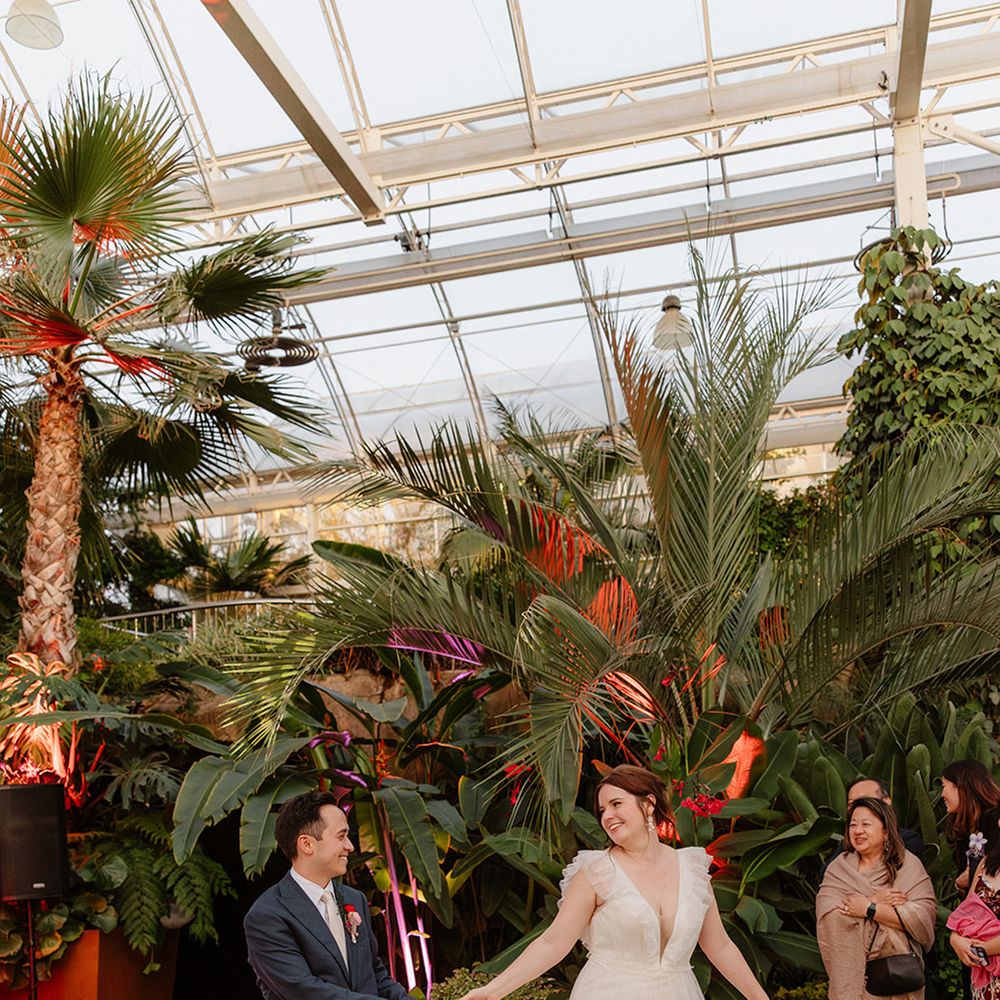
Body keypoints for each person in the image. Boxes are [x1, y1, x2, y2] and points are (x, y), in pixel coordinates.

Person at [459, 764, 769, 1000]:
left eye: (616, 804)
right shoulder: (596, 872)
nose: (607, 816)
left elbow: (720, 946)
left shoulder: (692, 869)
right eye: (603, 810)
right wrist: (493, 991)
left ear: (648, 804)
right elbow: (553, 943)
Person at [244, 790, 411, 1000]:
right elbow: (305, 991)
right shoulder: (268, 915)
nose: (350, 846)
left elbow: (376, 975)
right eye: (341, 836)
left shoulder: (354, 899)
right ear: (306, 844)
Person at [816, 796, 936, 1000]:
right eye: (853, 825)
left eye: (866, 824)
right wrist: (875, 898)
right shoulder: (838, 869)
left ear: (886, 831)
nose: (858, 831)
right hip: (850, 978)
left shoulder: (907, 866)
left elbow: (922, 919)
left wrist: (870, 908)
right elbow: (829, 916)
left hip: (896, 977)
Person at [948, 804, 1000, 1000]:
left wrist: (979, 950)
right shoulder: (986, 864)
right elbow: (965, 912)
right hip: (985, 985)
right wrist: (955, 939)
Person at [822, 777, 924, 875]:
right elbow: (827, 875)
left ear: (886, 802)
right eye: (851, 804)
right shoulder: (850, 843)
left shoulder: (908, 841)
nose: (857, 808)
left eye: (865, 801)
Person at [942, 761, 1000, 894]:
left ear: (961, 787)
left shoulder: (993, 819)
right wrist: (960, 885)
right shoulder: (964, 830)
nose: (942, 794)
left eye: (944, 786)